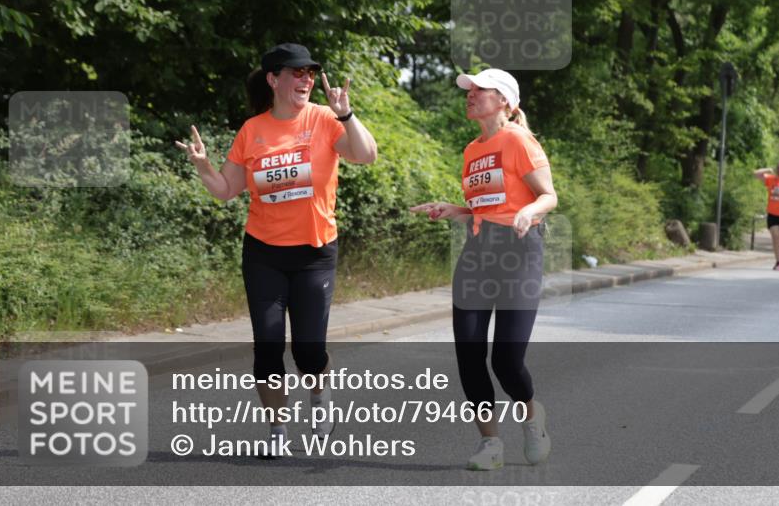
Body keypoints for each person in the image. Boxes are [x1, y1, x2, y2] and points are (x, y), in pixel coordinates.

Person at [176, 43, 377, 456]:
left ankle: (319, 399)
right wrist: (202, 165)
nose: (305, 80)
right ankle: (277, 433)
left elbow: (366, 155)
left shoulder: (324, 119)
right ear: (274, 79)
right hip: (264, 252)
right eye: (296, 73)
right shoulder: (253, 130)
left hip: (314, 253)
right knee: (267, 347)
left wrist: (347, 114)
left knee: (308, 352)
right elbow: (226, 191)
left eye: (309, 74)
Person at [410, 68, 557, 471]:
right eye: (469, 91)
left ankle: (531, 415)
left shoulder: (517, 139)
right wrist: (453, 209)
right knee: (469, 356)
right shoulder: (472, 150)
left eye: (480, 90)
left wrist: (527, 212)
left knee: (506, 362)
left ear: (505, 101)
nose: (470, 95)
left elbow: (548, 196)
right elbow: (485, 208)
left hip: (519, 252)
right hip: (478, 253)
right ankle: (490, 443)